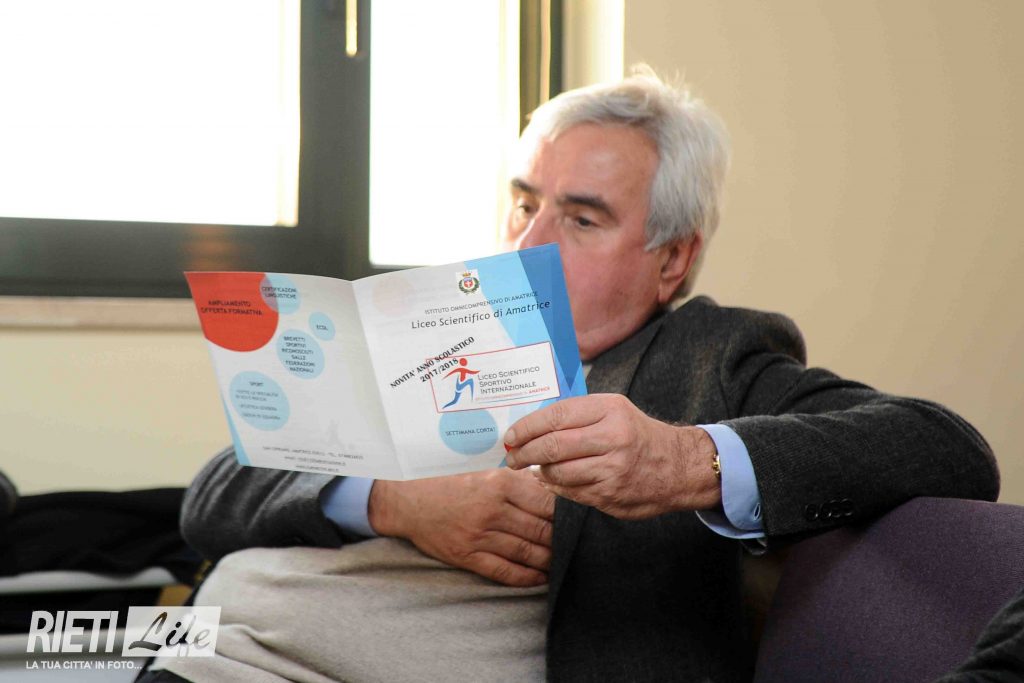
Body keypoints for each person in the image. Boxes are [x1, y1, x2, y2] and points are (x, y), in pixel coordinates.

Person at [146, 68, 999, 682]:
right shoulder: (434, 323)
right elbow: (214, 492)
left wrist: (683, 460)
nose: (528, 242)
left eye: (582, 219)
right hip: (194, 648)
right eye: (525, 202)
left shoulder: (712, 355)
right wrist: (393, 500)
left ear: (672, 260)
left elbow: (947, 447)